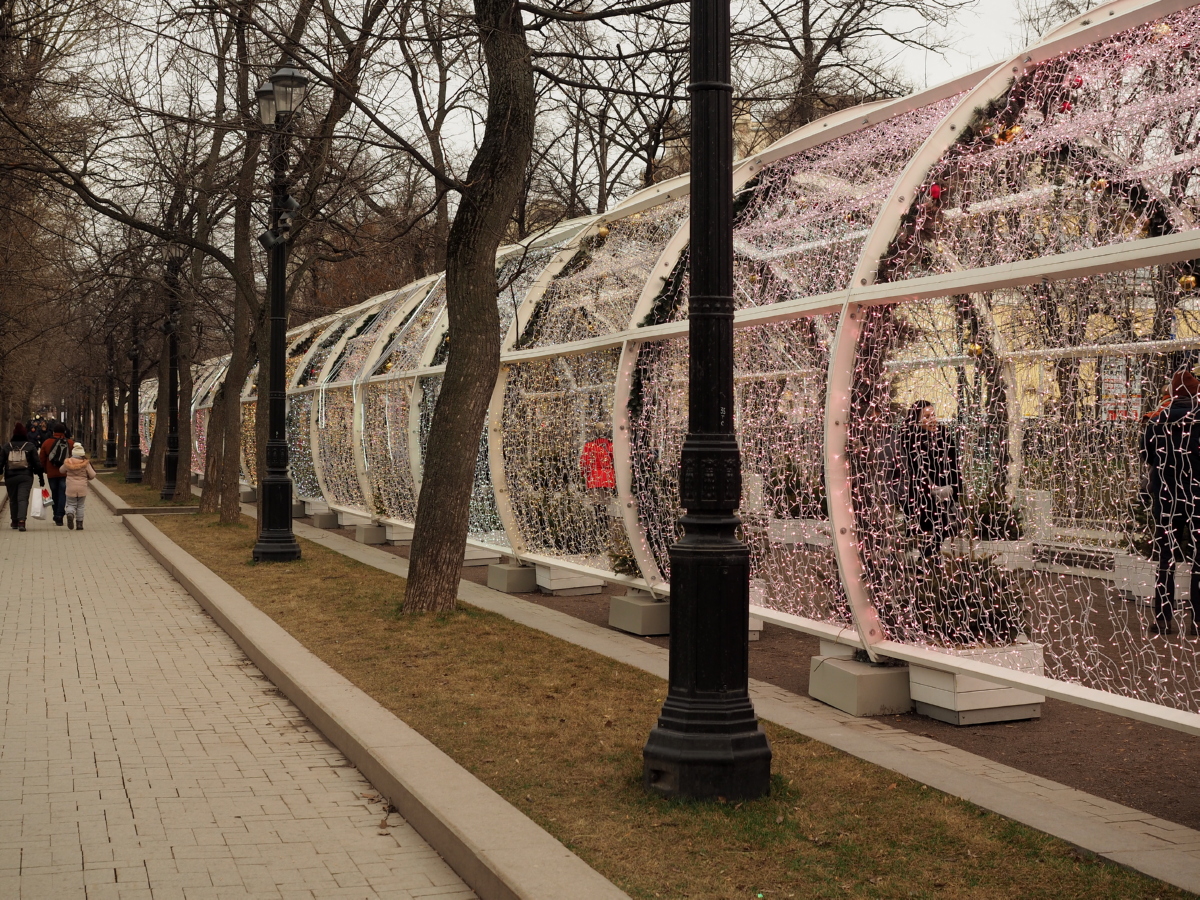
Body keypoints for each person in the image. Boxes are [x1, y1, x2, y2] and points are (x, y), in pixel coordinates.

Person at [1141, 370, 1200, 636]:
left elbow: (1147, 455)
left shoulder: (1156, 421)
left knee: (1166, 558)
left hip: (1166, 496)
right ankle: (1197, 623)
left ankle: (1163, 620)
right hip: (1198, 497)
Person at [896, 400, 961, 559]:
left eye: (933, 415)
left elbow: (954, 466)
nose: (932, 419)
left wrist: (954, 489)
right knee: (921, 534)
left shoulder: (944, 437)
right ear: (916, 419)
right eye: (926, 416)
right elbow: (907, 469)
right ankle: (921, 569)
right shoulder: (908, 439)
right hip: (917, 497)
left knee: (943, 530)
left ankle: (927, 565)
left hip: (943, 495)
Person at [4, 423, 45, 531]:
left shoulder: (7, 446)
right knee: (23, 499)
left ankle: (14, 521)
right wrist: (41, 477)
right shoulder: (30, 446)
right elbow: (37, 463)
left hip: (10, 476)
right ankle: (22, 521)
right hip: (26, 476)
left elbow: (1, 462)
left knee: (13, 499)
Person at [39, 421, 75, 527]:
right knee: (63, 493)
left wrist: (45, 469)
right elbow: (73, 457)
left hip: (51, 473)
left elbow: (42, 458)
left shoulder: (47, 442)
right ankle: (60, 515)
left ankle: (56, 514)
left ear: (53, 431)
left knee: (54, 493)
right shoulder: (70, 442)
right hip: (65, 473)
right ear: (64, 431)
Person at [60, 445, 96, 531]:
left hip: (70, 487)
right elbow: (92, 474)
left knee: (70, 504)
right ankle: (79, 524)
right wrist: (88, 477)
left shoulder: (68, 462)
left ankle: (70, 513)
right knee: (80, 506)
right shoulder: (85, 463)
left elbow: (61, 470)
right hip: (82, 488)